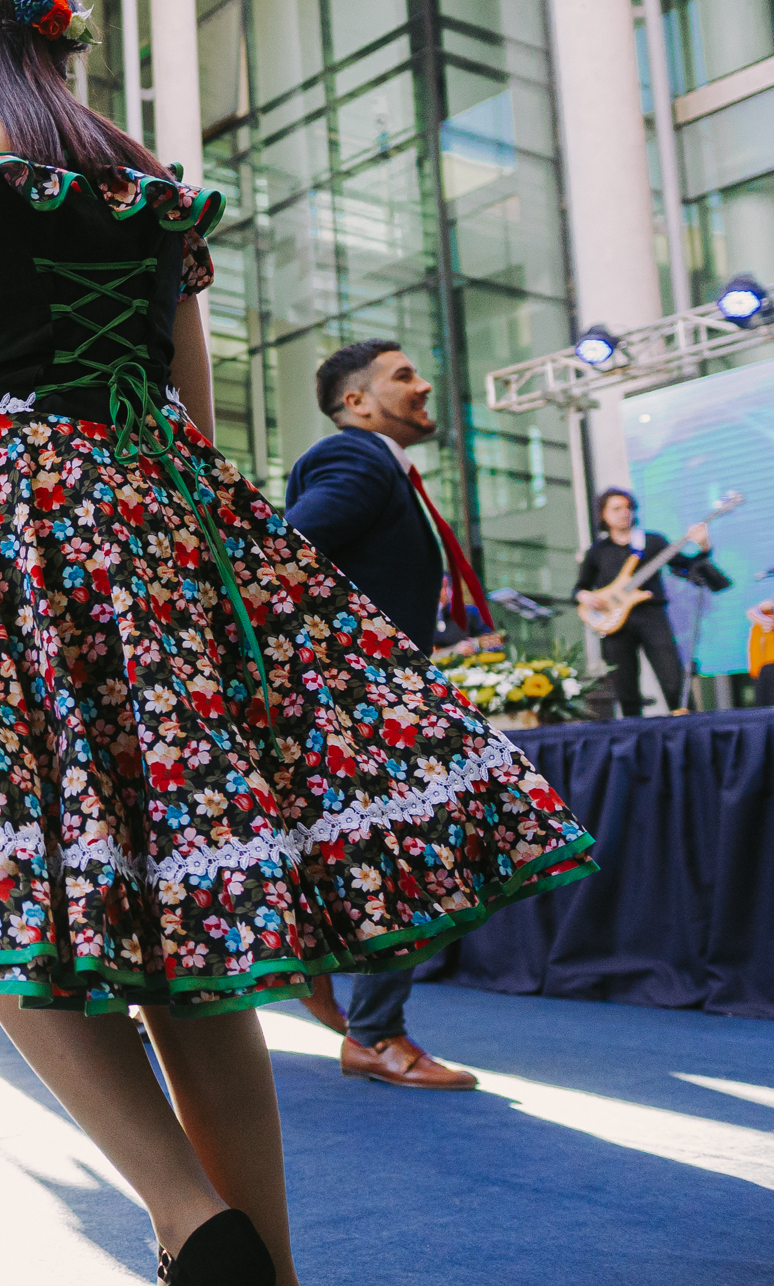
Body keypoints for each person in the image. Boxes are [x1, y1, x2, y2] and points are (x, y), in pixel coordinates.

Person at [0, 0, 597, 1285]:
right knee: (195, 927)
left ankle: (185, 1215)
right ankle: (265, 1265)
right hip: (163, 547)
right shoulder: (145, 191)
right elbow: (191, 415)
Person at [281, 340, 498, 1092]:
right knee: (417, 854)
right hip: (364, 702)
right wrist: (354, 665)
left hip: (368, 696)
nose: (424, 384)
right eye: (403, 376)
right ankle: (371, 1032)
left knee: (401, 855)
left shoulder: (382, 467)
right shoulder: (357, 458)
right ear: (356, 403)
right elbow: (282, 554)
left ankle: (335, 989)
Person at [574, 488, 711, 717]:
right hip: (615, 623)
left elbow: (686, 567)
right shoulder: (597, 551)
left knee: (673, 680)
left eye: (628, 507)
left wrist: (703, 546)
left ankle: (687, 725)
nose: (624, 513)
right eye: (617, 508)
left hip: (651, 616)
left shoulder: (652, 541)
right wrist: (585, 596)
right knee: (625, 687)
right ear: (603, 514)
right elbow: (579, 588)